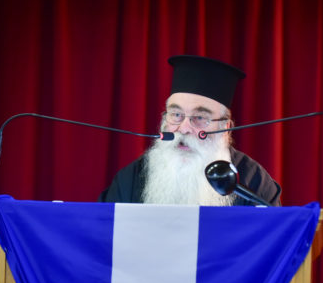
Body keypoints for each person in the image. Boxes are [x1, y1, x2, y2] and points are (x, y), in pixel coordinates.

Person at [99, 55, 281, 206]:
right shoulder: (129, 179)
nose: (184, 129)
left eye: (200, 118)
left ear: (225, 128)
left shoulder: (254, 182)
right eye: (176, 114)